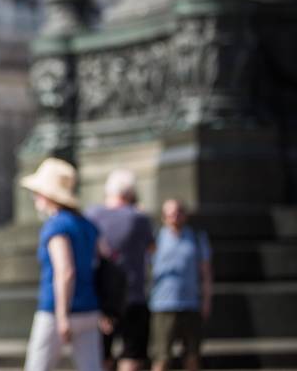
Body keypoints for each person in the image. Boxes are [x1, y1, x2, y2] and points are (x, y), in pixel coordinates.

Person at [21, 158, 103, 371]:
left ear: (46, 195)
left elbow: (65, 271)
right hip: (89, 309)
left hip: (56, 311)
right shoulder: (87, 224)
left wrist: (62, 316)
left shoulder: (56, 225)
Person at [87, 169, 155, 371]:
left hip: (101, 298)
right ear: (131, 193)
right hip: (133, 295)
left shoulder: (92, 215)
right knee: (132, 355)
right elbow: (152, 248)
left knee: (102, 357)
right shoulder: (139, 218)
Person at [149, 199, 212, 371]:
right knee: (162, 357)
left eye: (178, 212)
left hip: (190, 303)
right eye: (169, 214)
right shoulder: (155, 239)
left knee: (192, 356)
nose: (174, 217)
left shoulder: (197, 238)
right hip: (163, 304)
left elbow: (206, 272)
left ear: (184, 215)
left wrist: (206, 300)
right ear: (163, 217)